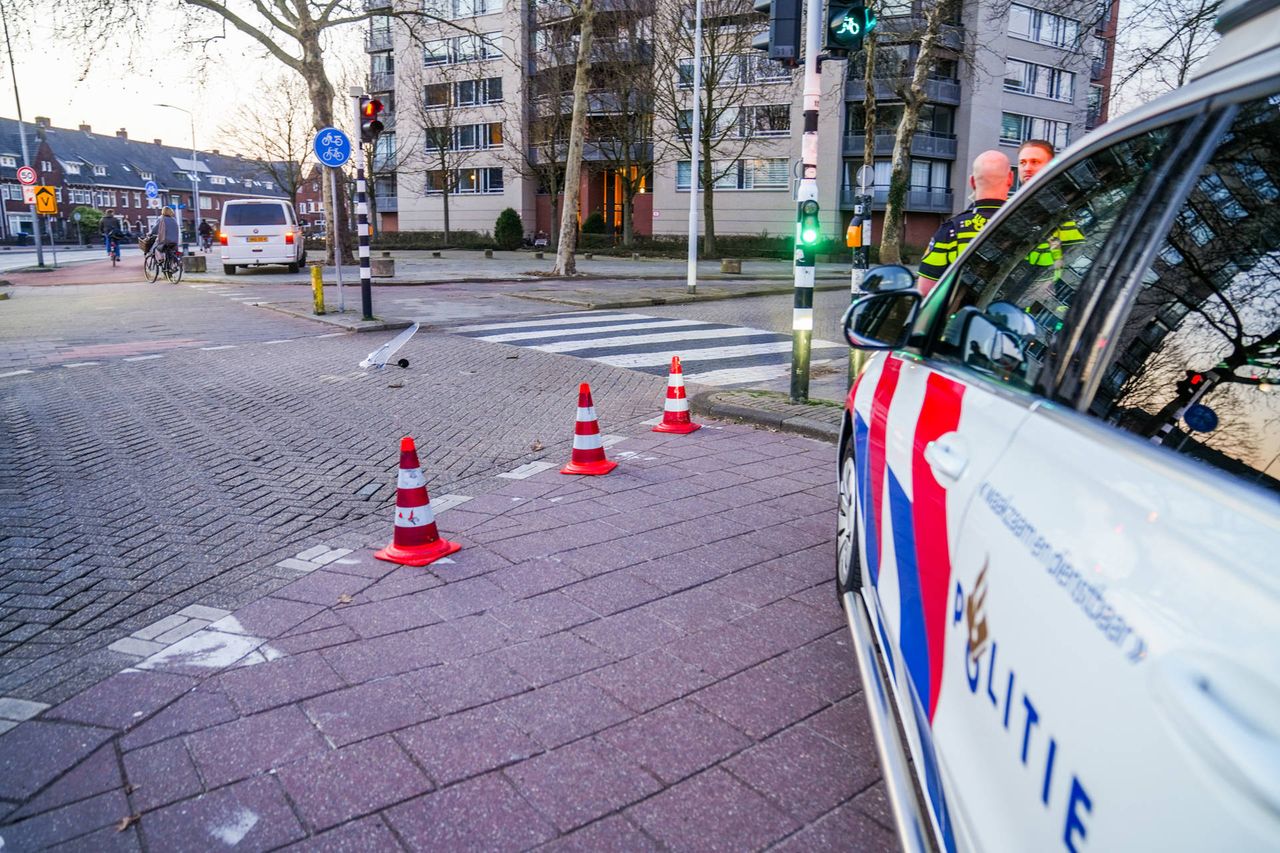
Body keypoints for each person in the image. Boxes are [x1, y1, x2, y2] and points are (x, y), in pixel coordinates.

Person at [916, 149, 1013, 295]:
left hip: (967, 316)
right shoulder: (1029, 226)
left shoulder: (951, 230)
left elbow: (925, 289)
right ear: (1011, 178)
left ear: (972, 182)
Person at [1015, 139, 1086, 274]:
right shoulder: (1013, 206)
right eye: (1022, 162)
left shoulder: (1063, 208)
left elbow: (1075, 253)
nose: (1027, 168)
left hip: (1043, 289)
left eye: (1035, 162)